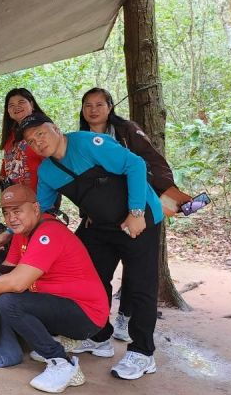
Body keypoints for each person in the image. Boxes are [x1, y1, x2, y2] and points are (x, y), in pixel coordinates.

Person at [20, 112, 164, 380]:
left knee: (141, 285)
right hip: (98, 226)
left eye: (41, 133)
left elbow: (135, 165)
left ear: (56, 128)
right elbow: (42, 210)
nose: (38, 142)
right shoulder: (48, 170)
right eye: (31, 140)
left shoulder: (88, 143)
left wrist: (135, 213)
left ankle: (143, 352)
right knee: (92, 280)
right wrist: (11, 231)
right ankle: (99, 336)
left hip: (138, 219)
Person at [0, 186, 108, 393]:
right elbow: (6, 272)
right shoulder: (22, 234)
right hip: (61, 305)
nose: (11, 218)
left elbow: (17, 282)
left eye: (17, 211)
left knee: (10, 301)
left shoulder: (48, 233)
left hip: (86, 315)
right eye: (7, 213)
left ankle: (62, 364)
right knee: (3, 293)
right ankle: (56, 342)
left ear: (35, 208)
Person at [79, 87, 192, 341]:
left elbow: (152, 161)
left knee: (136, 270)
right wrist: (86, 211)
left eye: (99, 104)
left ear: (110, 107)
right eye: (88, 105)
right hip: (102, 215)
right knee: (96, 271)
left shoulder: (127, 130)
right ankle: (98, 329)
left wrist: (163, 196)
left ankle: (125, 319)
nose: (93, 110)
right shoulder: (80, 138)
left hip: (136, 209)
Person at [0, 88, 46, 191]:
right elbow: (7, 159)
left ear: (32, 105)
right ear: (8, 111)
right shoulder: (10, 134)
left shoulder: (43, 130)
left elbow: (52, 163)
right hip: (15, 198)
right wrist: (2, 175)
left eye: (21, 102)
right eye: (11, 105)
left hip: (39, 198)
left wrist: (44, 198)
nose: (16, 107)